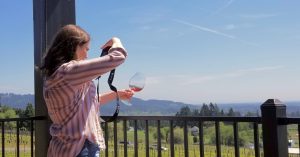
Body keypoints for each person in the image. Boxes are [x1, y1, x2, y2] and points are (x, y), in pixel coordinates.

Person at [40, 24, 133, 157]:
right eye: (86, 49)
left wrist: (117, 94)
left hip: (62, 148)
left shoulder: (55, 76)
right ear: (74, 46)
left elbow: (85, 103)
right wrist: (115, 40)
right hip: (81, 148)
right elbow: (119, 56)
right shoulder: (68, 71)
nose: (87, 55)